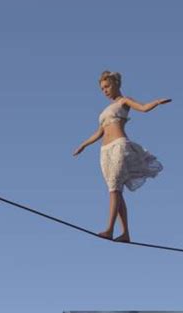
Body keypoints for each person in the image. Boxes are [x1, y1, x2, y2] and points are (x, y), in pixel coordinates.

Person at [73, 70, 171, 242]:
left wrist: (156, 102)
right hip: (105, 152)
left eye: (107, 86)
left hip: (119, 146)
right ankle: (125, 233)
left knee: (114, 190)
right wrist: (83, 145)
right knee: (116, 191)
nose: (105, 91)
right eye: (102, 88)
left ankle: (109, 229)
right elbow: (99, 132)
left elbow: (143, 108)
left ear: (116, 84)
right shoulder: (105, 111)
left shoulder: (124, 101)